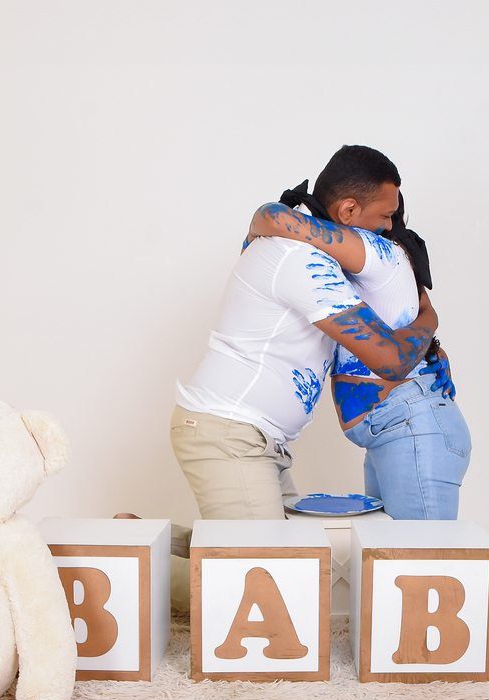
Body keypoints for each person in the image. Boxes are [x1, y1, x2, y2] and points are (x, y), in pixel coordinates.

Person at [171, 145, 440, 522]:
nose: (389, 228)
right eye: (385, 216)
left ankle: (150, 541)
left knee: (292, 551)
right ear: (348, 210)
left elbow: (267, 217)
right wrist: (429, 319)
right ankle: (142, 549)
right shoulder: (302, 259)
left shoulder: (303, 246)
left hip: (255, 437)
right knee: (262, 559)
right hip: (232, 431)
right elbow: (390, 361)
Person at [245, 186, 471, 519]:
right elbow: (419, 310)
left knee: (421, 551)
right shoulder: (351, 264)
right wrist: (430, 332)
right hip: (395, 429)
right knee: (389, 550)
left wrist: (430, 328)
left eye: (388, 217)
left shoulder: (382, 251)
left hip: (411, 426)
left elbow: (271, 217)